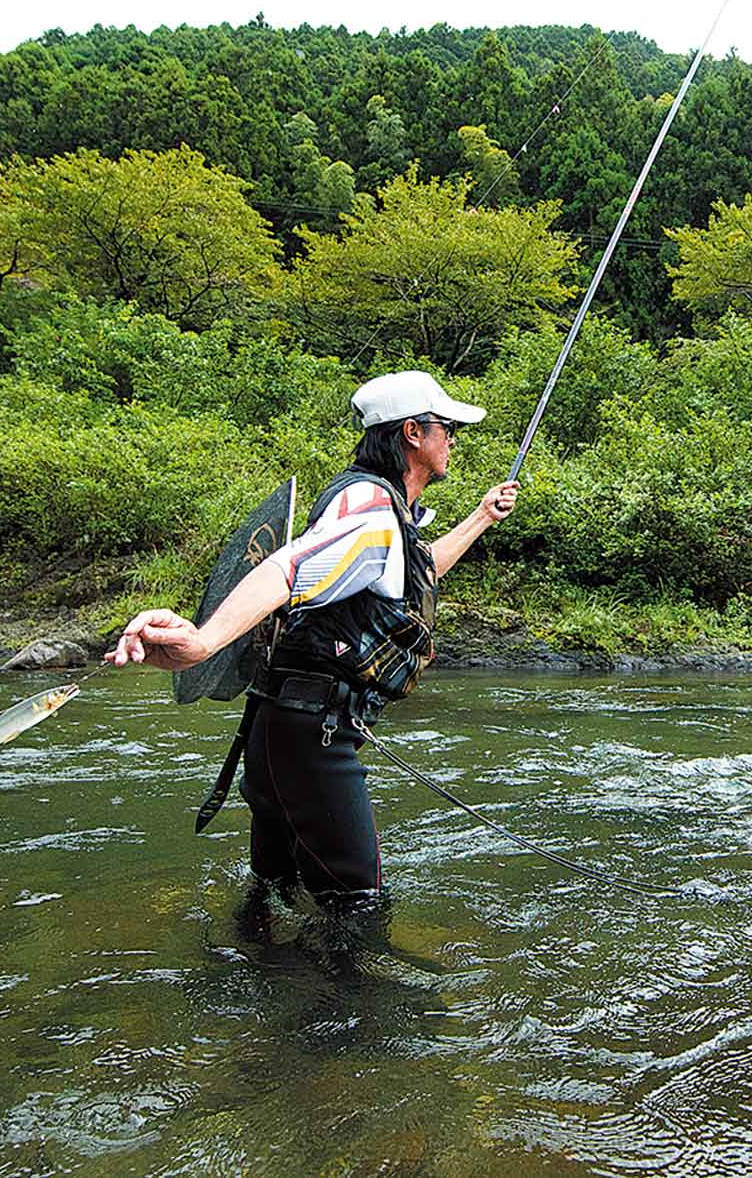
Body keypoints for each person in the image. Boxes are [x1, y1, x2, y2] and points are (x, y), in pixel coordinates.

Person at [109, 370, 519, 914]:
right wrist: (202, 643)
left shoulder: (379, 510)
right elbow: (287, 569)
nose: (453, 439)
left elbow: (413, 574)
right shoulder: (372, 511)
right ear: (413, 434)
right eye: (446, 427)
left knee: (273, 891)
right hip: (309, 738)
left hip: (284, 726)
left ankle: (250, 981)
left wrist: (482, 517)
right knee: (358, 907)